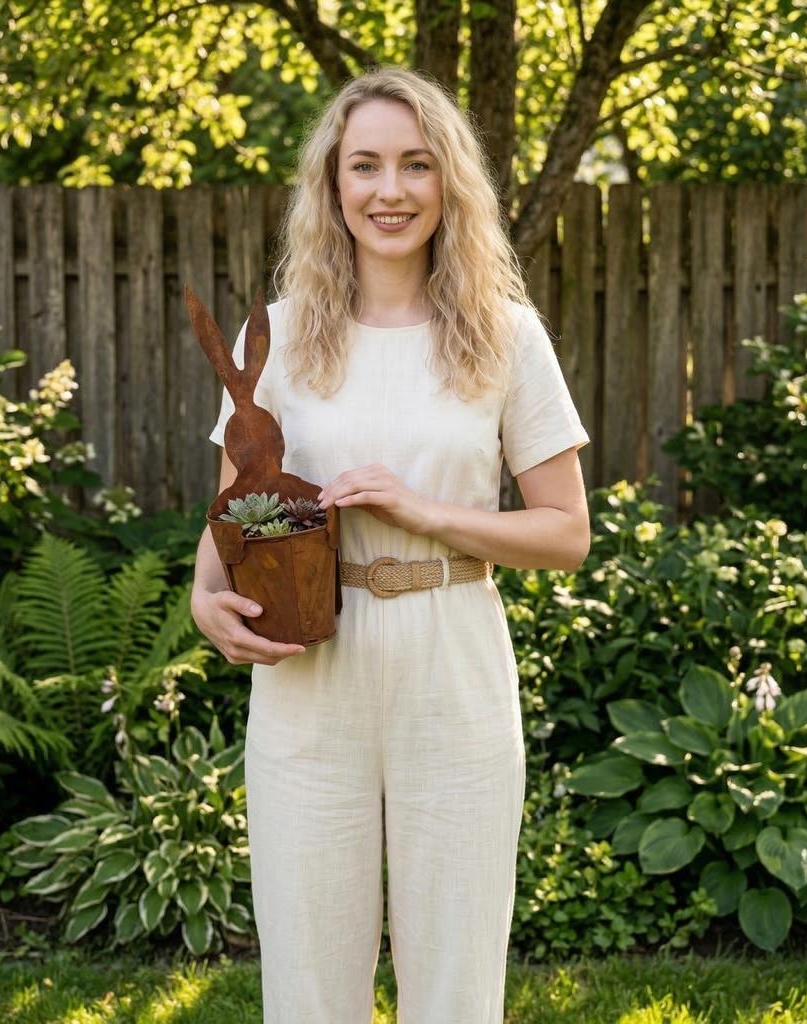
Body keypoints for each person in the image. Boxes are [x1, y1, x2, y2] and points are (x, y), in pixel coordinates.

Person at [190, 65, 591, 1024]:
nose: (390, 190)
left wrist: (425, 511)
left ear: (449, 180)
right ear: (332, 185)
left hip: (452, 664)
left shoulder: (505, 337)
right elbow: (225, 530)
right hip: (308, 677)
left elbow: (565, 532)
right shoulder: (277, 338)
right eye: (364, 165)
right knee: (308, 981)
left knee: (454, 982)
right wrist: (208, 607)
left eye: (416, 164)